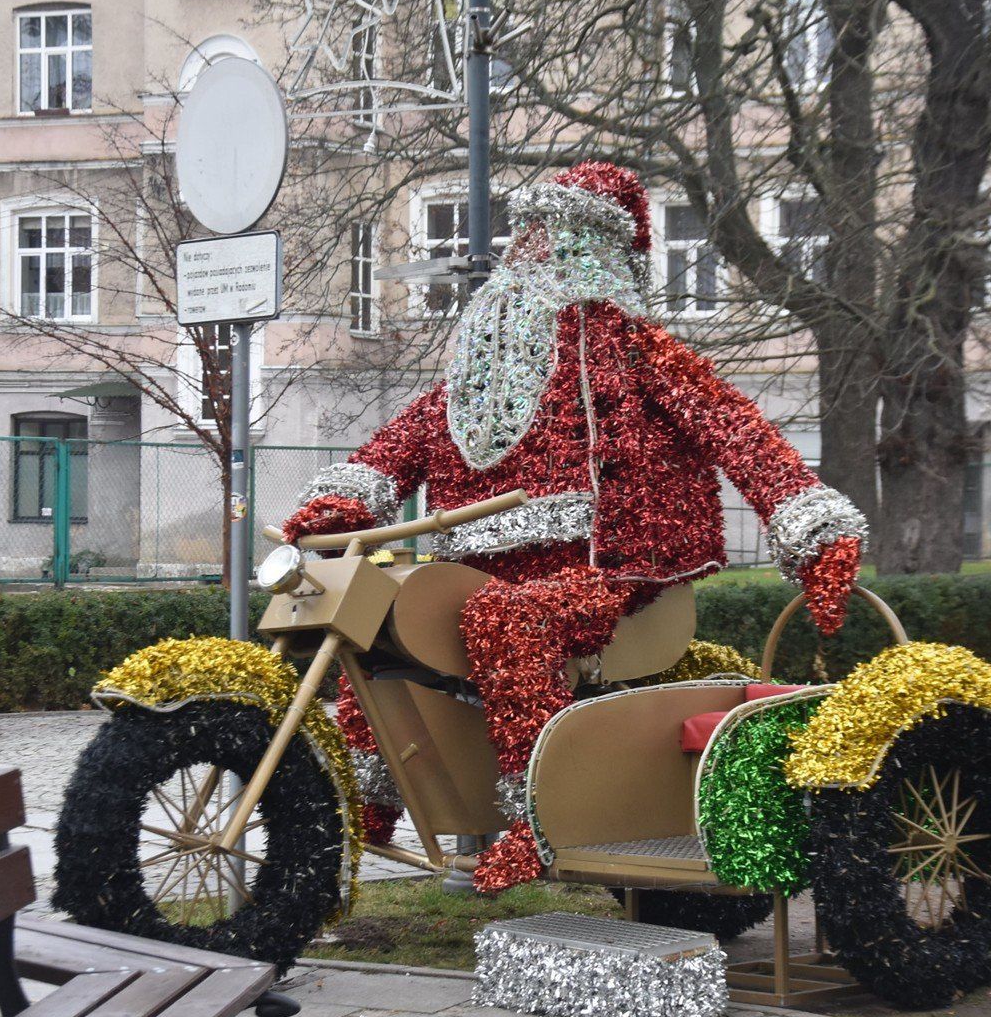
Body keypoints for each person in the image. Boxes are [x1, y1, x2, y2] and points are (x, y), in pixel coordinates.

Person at [282, 161, 865, 891]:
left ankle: (536, 821)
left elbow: (732, 428)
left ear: (595, 248)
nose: (529, 251)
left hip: (607, 576)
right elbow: (399, 444)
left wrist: (810, 524)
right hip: (474, 571)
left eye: (553, 234)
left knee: (504, 617)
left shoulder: (631, 351)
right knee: (379, 621)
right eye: (528, 232)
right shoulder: (485, 372)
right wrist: (336, 510)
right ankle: (365, 804)